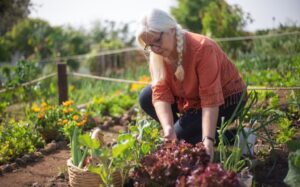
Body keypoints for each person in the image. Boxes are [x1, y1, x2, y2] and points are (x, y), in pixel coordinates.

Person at [135, 9, 247, 161]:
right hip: (194, 99)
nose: (155, 49)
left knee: (182, 137)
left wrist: (208, 140)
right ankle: (186, 134)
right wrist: (168, 128)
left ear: (172, 30)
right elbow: (160, 92)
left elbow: (210, 99)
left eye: (157, 41)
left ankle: (236, 136)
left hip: (227, 98)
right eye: (149, 45)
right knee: (146, 97)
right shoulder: (158, 55)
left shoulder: (202, 48)